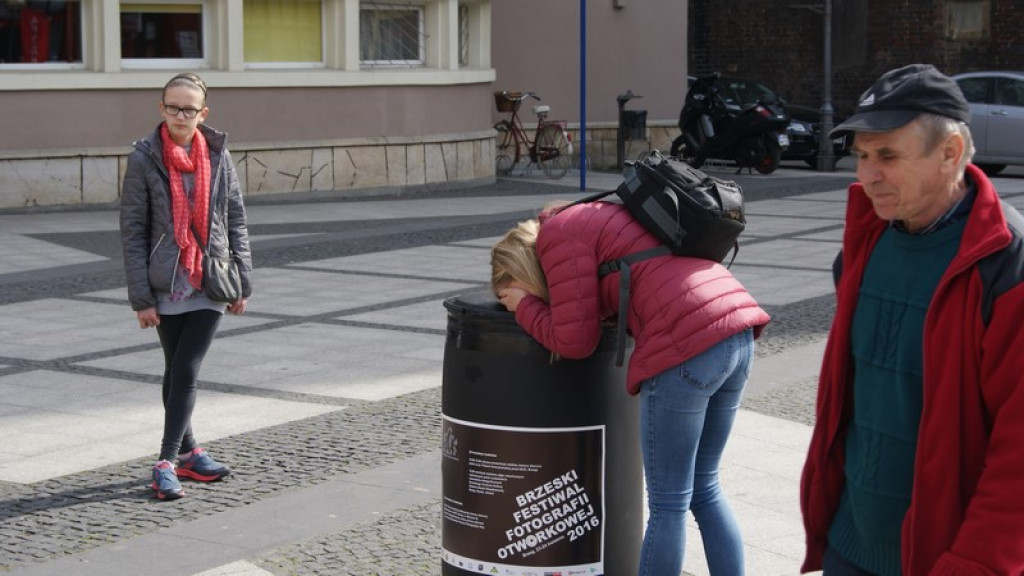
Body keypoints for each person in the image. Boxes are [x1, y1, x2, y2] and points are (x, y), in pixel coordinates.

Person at [800, 63, 1024, 575]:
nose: (865, 175)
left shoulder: (1005, 265)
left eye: (887, 156)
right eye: (860, 156)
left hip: (943, 557)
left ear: (949, 154)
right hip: (847, 544)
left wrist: (973, 563)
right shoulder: (867, 238)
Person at [491, 201, 770, 575]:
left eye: (509, 290)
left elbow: (576, 342)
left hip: (685, 344)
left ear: (522, 270)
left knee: (668, 503)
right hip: (736, 330)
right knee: (705, 488)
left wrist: (525, 306)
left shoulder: (557, 237)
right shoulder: (591, 215)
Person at [120, 72, 253, 500]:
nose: (181, 115)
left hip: (209, 279)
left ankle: (165, 461)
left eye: (189, 108)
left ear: (203, 113)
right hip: (165, 281)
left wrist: (242, 282)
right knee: (175, 369)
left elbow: (235, 219)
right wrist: (141, 297)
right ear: (161, 108)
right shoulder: (144, 157)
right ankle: (191, 453)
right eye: (173, 107)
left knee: (187, 369)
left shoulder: (218, 155)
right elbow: (133, 230)